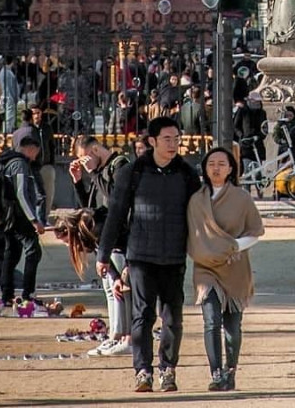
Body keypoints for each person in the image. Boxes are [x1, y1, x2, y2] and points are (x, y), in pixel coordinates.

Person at [96, 116, 201, 393]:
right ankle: (143, 371)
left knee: (173, 318)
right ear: (152, 141)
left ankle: (168, 368)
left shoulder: (187, 175)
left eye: (177, 139)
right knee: (142, 315)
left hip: (175, 257)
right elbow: (116, 214)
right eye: (167, 139)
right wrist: (104, 254)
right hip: (141, 256)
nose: (173, 144)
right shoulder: (132, 172)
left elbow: (200, 216)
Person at [187, 148, 265, 392]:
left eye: (222, 163)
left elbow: (255, 232)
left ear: (231, 168)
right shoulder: (196, 200)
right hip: (205, 267)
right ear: (205, 168)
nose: (216, 168)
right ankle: (216, 372)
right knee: (211, 321)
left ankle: (230, 371)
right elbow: (193, 235)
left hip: (235, 266)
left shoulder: (242, 198)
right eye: (211, 163)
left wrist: (232, 248)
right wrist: (211, 252)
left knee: (232, 326)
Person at [68, 135, 133, 356]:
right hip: (105, 239)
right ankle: (114, 335)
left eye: (84, 156)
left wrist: (94, 174)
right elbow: (89, 206)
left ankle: (123, 336)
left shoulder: (119, 165)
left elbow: (116, 201)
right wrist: (78, 181)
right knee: (109, 287)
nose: (83, 162)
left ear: (95, 149)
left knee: (120, 290)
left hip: (120, 239)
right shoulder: (99, 173)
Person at [0, 132, 46, 306]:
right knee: (33, 251)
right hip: (19, 217)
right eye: (36, 151)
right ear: (30, 149)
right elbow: (21, 193)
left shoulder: (9, 163)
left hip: (9, 216)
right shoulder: (19, 165)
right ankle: (27, 293)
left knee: (12, 253)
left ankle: (7, 295)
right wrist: (34, 219)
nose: (36, 156)